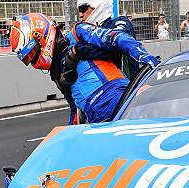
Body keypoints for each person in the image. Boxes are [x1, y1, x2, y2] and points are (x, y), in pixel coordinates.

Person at [10, 12, 158, 125]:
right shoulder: (56, 74)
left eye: (32, 52)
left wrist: (143, 56)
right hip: (97, 120)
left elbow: (115, 37)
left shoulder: (78, 33)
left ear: (40, 37)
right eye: (28, 57)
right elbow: (75, 110)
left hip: (119, 100)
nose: (33, 59)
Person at [73, 0, 141, 80]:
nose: (81, 15)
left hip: (128, 87)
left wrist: (78, 50)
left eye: (83, 9)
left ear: (97, 6)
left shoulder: (120, 22)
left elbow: (114, 46)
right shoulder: (85, 33)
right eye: (79, 11)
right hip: (101, 90)